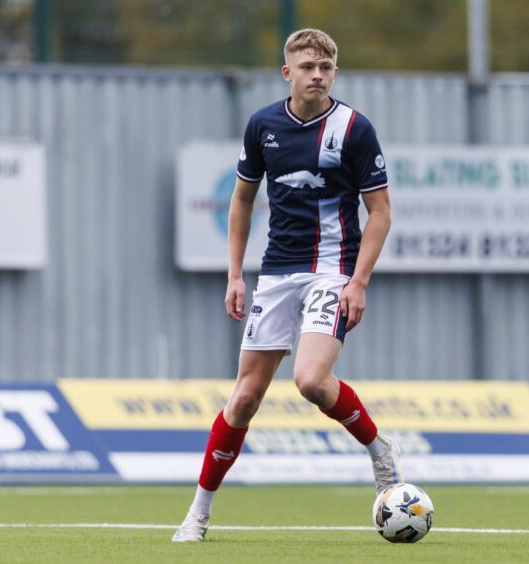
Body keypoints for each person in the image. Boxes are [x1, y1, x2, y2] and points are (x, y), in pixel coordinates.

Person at [173, 28, 401, 543]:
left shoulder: (354, 129)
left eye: (325, 67)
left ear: (334, 73)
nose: (316, 75)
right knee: (245, 399)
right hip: (276, 271)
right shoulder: (263, 126)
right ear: (288, 73)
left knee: (312, 381)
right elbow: (241, 201)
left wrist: (358, 281)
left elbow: (381, 213)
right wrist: (235, 274)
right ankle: (198, 513)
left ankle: (379, 450)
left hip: (332, 268)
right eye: (307, 67)